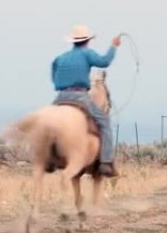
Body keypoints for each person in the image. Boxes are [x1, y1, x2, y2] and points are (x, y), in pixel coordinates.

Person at [51, 24, 121, 177]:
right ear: (87, 41)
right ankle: (106, 162)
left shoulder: (60, 58)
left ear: (73, 41)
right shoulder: (87, 54)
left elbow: (54, 76)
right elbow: (104, 62)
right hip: (80, 95)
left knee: (50, 123)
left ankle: (50, 156)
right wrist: (113, 47)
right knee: (104, 122)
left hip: (60, 96)